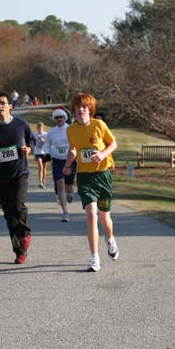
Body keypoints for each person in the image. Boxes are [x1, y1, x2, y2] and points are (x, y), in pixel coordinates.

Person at [63, 92, 119, 272]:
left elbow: (114, 144)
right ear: (74, 110)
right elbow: (73, 150)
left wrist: (102, 154)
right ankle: (94, 257)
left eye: (84, 107)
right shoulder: (70, 129)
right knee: (91, 215)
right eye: (78, 107)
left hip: (102, 175)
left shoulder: (99, 125)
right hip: (85, 176)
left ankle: (110, 240)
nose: (81, 110)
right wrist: (68, 164)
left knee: (104, 217)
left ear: (90, 110)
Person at [0, 90, 34, 264]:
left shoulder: (20, 124)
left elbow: (31, 140)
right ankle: (19, 251)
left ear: (10, 106)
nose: (0, 106)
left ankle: (24, 234)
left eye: (3, 103)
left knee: (18, 205)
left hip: (20, 173)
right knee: (9, 214)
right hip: (1, 176)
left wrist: (29, 149)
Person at [44, 108, 76, 222]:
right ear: (54, 119)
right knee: (60, 184)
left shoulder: (71, 129)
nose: (59, 119)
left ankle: (71, 193)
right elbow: (47, 143)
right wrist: (47, 153)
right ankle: (65, 212)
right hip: (57, 160)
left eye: (61, 117)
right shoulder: (51, 132)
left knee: (69, 184)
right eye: (57, 117)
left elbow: (76, 143)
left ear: (65, 118)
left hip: (70, 160)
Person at [33, 123, 48, 188]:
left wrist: (44, 141)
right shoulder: (35, 135)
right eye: (38, 128)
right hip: (37, 153)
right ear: (37, 128)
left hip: (44, 153)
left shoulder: (46, 134)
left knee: (44, 168)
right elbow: (32, 143)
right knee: (41, 167)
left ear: (43, 128)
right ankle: (40, 182)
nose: (40, 129)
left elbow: (49, 142)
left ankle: (44, 181)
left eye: (41, 128)